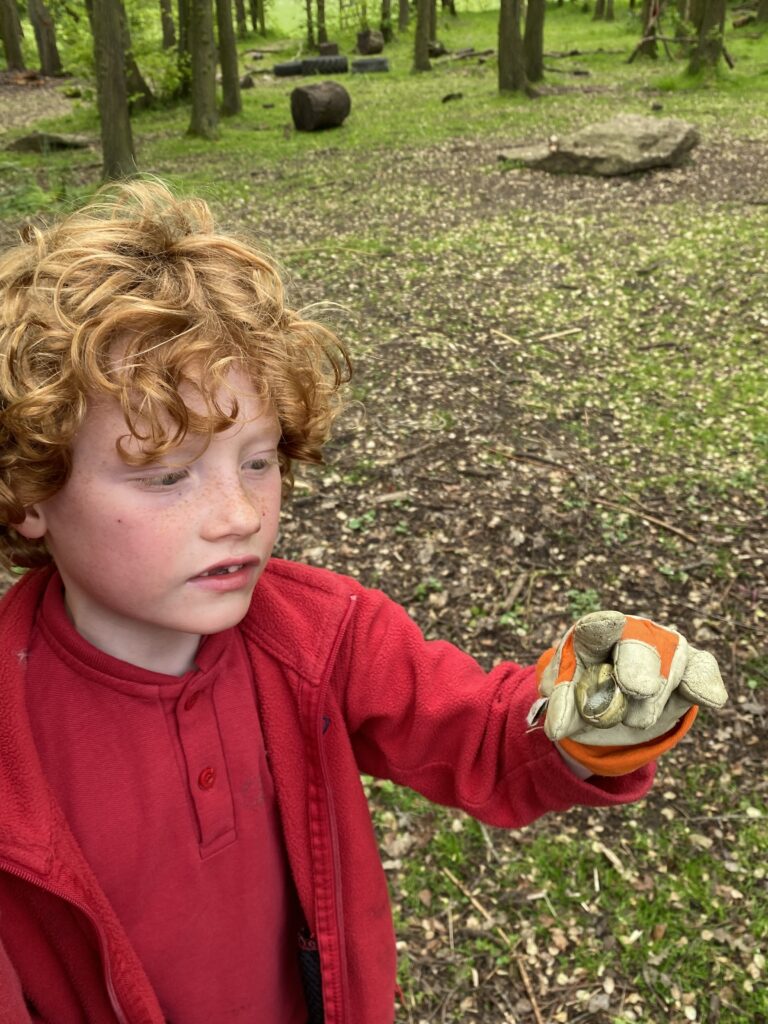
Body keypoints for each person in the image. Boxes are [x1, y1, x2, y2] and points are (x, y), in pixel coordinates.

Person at [0, 181, 727, 1024]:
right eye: (167, 474)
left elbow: (483, 732)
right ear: (29, 492)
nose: (239, 515)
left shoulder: (322, 636)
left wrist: (588, 718)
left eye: (259, 460)